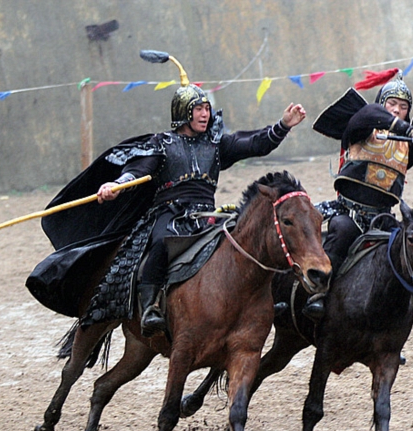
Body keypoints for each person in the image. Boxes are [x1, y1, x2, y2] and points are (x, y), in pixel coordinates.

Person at [27, 51, 305, 336]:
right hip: (168, 215)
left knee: (247, 238)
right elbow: (136, 171)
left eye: (206, 109)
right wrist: (116, 185)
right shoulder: (162, 144)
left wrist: (282, 126)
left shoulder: (216, 145)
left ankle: (265, 300)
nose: (205, 114)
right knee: (161, 242)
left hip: (205, 215)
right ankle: (150, 308)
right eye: (198, 109)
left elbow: (254, 143)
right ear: (183, 112)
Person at [304, 68, 413, 318]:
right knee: (342, 233)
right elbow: (370, 113)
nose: (397, 110)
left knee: (409, 251)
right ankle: (318, 296)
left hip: (383, 217)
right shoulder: (361, 124)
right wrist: (411, 131)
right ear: (381, 103)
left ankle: (397, 317)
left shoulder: (405, 141)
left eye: (403, 106)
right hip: (349, 212)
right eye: (392, 104)